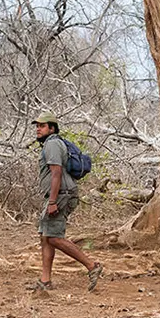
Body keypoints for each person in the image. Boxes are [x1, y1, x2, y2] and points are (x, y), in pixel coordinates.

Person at [30, 114, 103, 293]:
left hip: (61, 195)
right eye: (37, 126)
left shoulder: (53, 144)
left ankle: (92, 266)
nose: (38, 129)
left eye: (43, 126)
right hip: (58, 194)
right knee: (46, 236)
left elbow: (56, 173)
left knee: (54, 237)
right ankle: (45, 281)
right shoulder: (51, 144)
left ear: (52, 128)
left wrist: (53, 201)